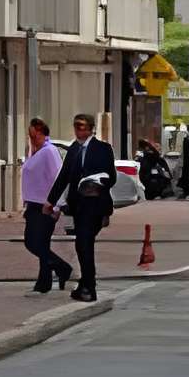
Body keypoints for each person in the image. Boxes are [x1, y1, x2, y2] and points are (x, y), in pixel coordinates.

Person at [46, 112, 116, 302]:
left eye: (82, 126)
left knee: (84, 243)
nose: (78, 130)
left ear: (91, 129)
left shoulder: (103, 148)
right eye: (76, 126)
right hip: (79, 206)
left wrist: (96, 184)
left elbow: (111, 176)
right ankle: (86, 284)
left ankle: (89, 287)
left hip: (96, 204)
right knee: (83, 245)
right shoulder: (74, 150)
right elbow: (63, 177)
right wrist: (50, 201)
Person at [20, 120, 72, 294]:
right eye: (30, 135)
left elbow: (57, 178)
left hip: (44, 205)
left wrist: (56, 206)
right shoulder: (36, 151)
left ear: (41, 132)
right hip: (33, 204)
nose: (31, 138)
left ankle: (63, 267)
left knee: (33, 242)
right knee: (41, 243)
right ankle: (44, 282)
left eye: (33, 134)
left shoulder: (49, 151)